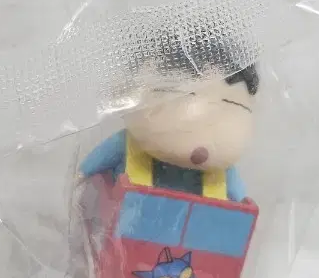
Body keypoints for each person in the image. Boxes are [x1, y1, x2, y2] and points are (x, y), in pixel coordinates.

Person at [79, 60, 258, 202]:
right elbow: (96, 163)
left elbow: (242, 201)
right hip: (129, 223)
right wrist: (81, 177)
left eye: (231, 104)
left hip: (196, 230)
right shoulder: (125, 144)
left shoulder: (222, 172)